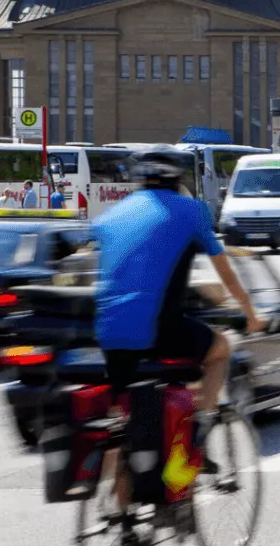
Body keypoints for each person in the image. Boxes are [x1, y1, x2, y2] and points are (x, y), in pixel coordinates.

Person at [94, 147, 266, 436]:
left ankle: (111, 462)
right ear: (178, 179)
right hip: (160, 329)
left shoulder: (113, 214)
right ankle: (199, 428)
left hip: (109, 331)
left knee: (121, 423)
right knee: (221, 348)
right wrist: (251, 315)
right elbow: (227, 275)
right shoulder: (192, 210)